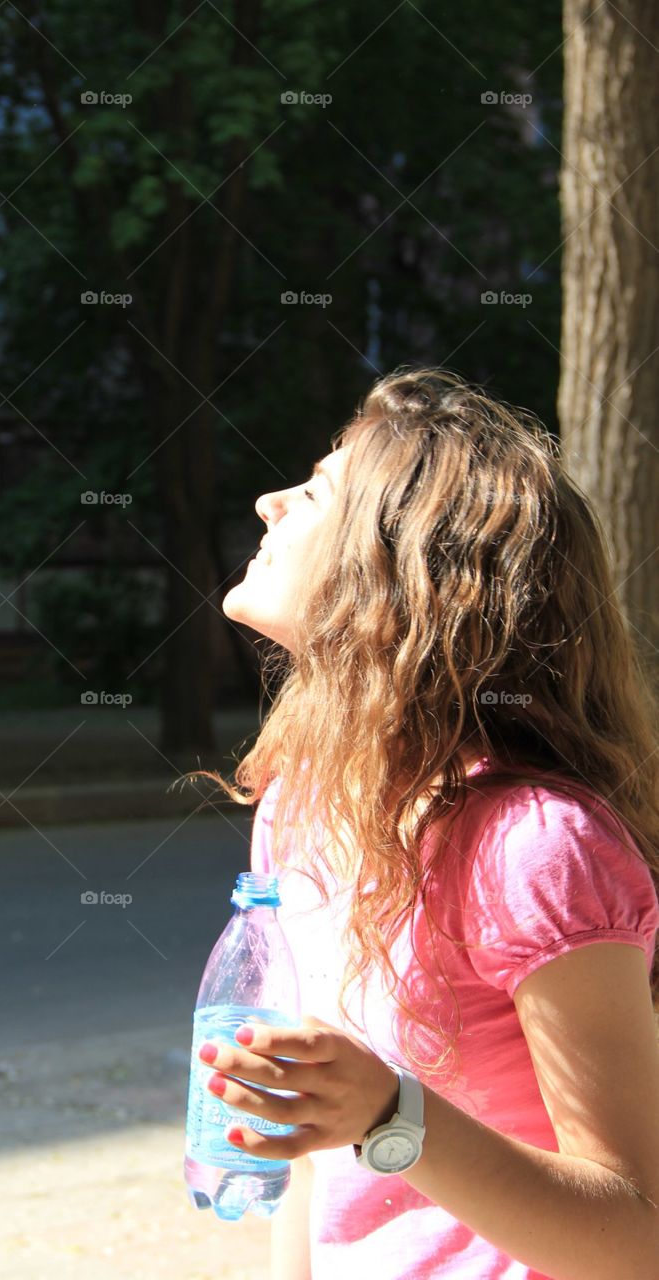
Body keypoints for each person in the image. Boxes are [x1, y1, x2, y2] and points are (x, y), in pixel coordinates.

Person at [192, 368, 659, 1279]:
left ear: (399, 564)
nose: (269, 501)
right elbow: (314, 1153)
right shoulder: (305, 802)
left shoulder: (534, 847)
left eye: (318, 491)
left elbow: (639, 1233)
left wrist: (392, 1118)